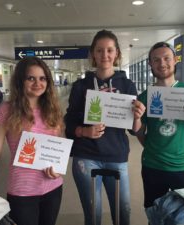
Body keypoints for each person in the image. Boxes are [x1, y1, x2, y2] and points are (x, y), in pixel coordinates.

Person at [64, 29, 145, 225]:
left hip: (117, 156)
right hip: (86, 157)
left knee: (123, 212)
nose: (105, 55)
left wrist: (138, 116)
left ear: (117, 53)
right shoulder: (81, 87)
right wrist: (84, 131)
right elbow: (69, 123)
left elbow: (134, 130)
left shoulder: (127, 85)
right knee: (93, 215)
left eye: (109, 50)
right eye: (99, 50)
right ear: (93, 54)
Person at [0, 57, 64, 225]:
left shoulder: (52, 109)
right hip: (22, 191)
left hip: (53, 187)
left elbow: (56, 147)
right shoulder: (6, 110)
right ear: (20, 81)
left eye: (42, 78)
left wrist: (58, 169)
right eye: (31, 78)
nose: (37, 83)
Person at [136, 42, 184, 209]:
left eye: (167, 58)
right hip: (152, 166)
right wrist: (150, 145)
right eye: (156, 60)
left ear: (175, 60)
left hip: (182, 166)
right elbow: (140, 132)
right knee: (155, 214)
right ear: (150, 64)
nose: (162, 63)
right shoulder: (145, 96)